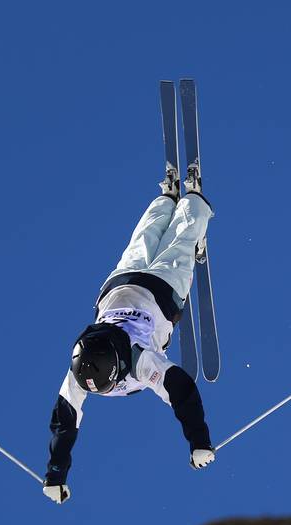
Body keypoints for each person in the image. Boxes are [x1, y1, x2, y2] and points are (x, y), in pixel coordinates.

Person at [43, 170, 215, 504]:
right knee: (145, 238)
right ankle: (169, 199)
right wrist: (54, 475)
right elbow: (63, 422)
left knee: (177, 243)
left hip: (161, 291)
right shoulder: (82, 369)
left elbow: (183, 390)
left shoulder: (140, 362)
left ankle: (188, 199)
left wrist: (200, 442)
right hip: (120, 283)